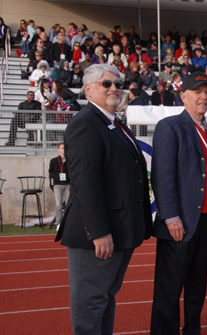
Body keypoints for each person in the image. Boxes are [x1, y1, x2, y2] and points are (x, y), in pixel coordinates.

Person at [55, 64, 152, 335]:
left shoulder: (112, 122)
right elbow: (85, 184)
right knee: (90, 304)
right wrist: (98, 231)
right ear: (88, 90)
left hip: (119, 229)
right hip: (98, 235)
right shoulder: (85, 124)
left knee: (105, 298)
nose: (113, 88)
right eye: (105, 84)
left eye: (117, 84)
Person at [150, 72, 207, 334]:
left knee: (197, 287)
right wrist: (170, 216)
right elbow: (162, 176)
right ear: (183, 96)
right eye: (197, 92)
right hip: (180, 222)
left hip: (205, 222)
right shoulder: (169, 127)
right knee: (169, 287)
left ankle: (192, 330)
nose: (204, 97)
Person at [49, 142, 70, 228]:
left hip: (68, 184)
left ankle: (68, 222)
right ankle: (59, 223)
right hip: (58, 184)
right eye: (62, 148)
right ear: (58, 149)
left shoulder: (70, 160)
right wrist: (57, 178)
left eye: (65, 148)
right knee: (58, 204)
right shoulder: (53, 161)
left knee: (69, 203)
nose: (63, 150)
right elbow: (51, 172)